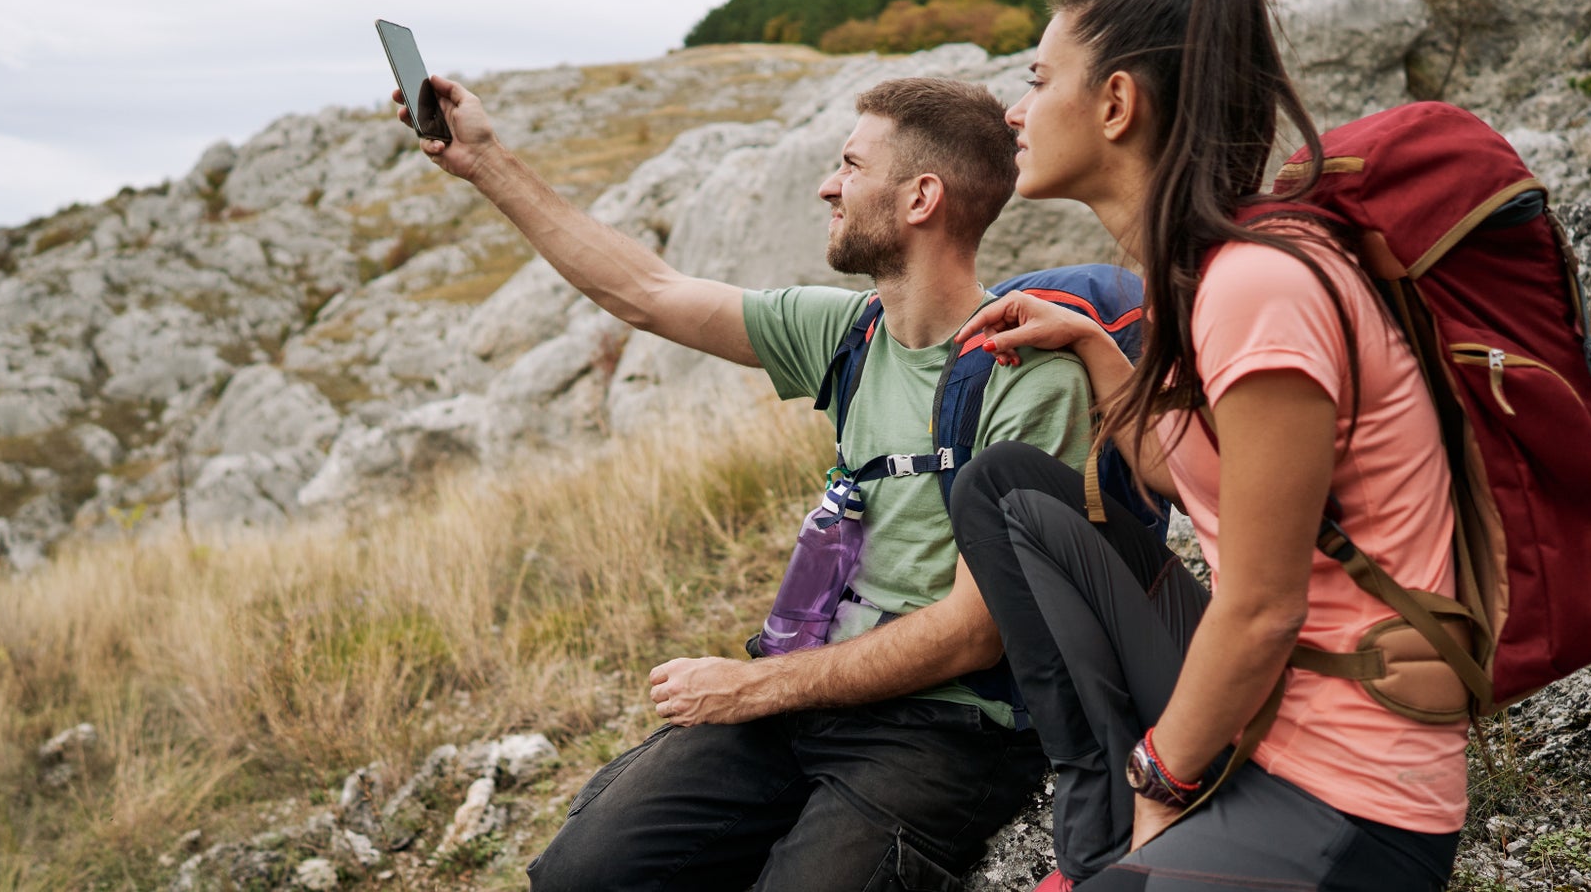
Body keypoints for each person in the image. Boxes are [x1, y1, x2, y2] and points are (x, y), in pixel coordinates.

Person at [397, 73, 1094, 890]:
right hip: (808, 694)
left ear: (921, 199)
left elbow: (974, 633)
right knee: (583, 874)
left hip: (947, 728)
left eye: (851, 165)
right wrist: (484, 161)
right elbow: (649, 294)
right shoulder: (848, 333)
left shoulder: (1028, 381)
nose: (826, 185)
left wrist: (754, 685)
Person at [946, 0, 1464, 891]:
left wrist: (1163, 777)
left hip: (1348, 796)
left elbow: (1264, 608)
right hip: (1269, 723)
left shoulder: (1256, 286)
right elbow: (1199, 475)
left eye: (1037, 79)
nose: (1017, 111)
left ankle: (1132, 829)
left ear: (1115, 104)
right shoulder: (1201, 272)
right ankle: (1096, 834)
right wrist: (1099, 352)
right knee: (1007, 489)